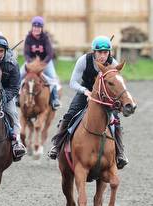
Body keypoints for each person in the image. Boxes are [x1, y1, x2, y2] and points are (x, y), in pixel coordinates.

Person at [48, 35, 128, 169]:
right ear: (94, 52)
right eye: (99, 52)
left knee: (115, 120)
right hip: (85, 90)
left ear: (109, 52)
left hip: (104, 96)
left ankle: (120, 152)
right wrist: (85, 92)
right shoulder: (83, 60)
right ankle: (56, 146)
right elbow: (72, 82)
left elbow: (116, 85)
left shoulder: (113, 63)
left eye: (105, 52)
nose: (103, 55)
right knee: (70, 114)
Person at [19, 16, 61, 110]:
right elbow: (26, 53)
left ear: (41, 28)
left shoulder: (45, 38)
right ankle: (15, 97)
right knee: (19, 75)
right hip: (31, 63)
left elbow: (50, 53)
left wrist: (43, 64)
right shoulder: (28, 37)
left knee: (53, 78)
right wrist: (32, 64)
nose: (36, 29)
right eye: (34, 26)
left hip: (44, 63)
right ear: (32, 27)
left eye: (38, 27)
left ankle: (55, 98)